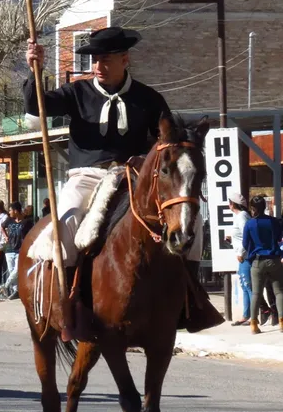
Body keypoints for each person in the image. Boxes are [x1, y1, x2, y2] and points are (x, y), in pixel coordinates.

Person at [25, 26, 221, 338]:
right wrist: (34, 67)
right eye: (94, 60)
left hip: (133, 175)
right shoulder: (77, 93)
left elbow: (167, 141)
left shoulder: (149, 98)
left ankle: (190, 299)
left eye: (104, 59)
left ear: (124, 59)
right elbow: (37, 106)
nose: (97, 66)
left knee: (191, 227)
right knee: (68, 222)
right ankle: (66, 303)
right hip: (86, 176)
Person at [242, 195, 283, 335]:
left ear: (252, 208)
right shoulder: (273, 222)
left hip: (258, 261)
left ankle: (254, 324)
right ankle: (282, 321)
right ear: (265, 207)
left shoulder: (249, 224)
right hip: (274, 260)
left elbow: (245, 244)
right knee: (279, 292)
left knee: (256, 293)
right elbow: (279, 238)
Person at [0, 202, 34, 300]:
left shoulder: (27, 222)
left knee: (17, 271)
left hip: (20, 250)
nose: (9, 212)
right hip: (9, 249)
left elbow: (32, 233)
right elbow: (2, 227)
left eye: (10, 210)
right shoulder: (9, 220)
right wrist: (6, 236)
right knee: (12, 270)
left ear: (16, 211)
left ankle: (4, 286)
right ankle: (16, 291)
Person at [229, 191, 253, 327]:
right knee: (244, 285)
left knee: (248, 285)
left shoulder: (242, 216)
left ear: (232, 204)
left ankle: (253, 316)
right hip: (243, 255)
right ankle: (246, 315)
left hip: (245, 256)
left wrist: (241, 253)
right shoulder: (240, 216)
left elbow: (247, 236)